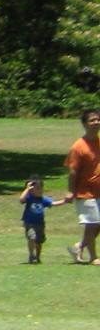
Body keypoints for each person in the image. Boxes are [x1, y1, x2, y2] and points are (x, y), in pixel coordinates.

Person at [63, 109, 100, 264]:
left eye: (98, 120)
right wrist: (71, 191)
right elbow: (73, 171)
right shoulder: (78, 146)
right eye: (92, 120)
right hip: (85, 193)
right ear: (85, 124)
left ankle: (78, 246)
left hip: (99, 192)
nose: (96, 122)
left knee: (97, 225)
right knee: (93, 224)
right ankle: (93, 257)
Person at [19, 178, 61, 264]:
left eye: (41, 188)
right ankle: (31, 255)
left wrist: (65, 201)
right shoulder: (29, 198)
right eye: (37, 188)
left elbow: (53, 203)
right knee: (32, 237)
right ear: (31, 190)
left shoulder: (43, 199)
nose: (40, 190)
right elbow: (21, 200)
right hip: (29, 223)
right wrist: (27, 189)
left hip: (40, 224)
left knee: (39, 241)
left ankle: (37, 257)